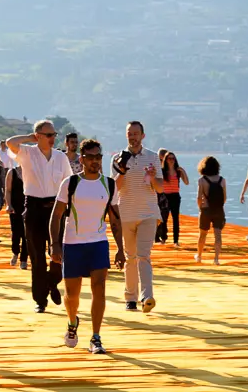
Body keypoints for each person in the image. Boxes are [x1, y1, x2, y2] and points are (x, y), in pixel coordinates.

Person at [50, 139, 125, 354]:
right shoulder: (70, 183)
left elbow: (115, 219)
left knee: (99, 288)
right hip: (73, 244)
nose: (95, 161)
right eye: (90, 157)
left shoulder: (108, 184)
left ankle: (96, 337)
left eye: (98, 157)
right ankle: (72, 322)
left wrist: (120, 248)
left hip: (98, 243)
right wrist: (55, 245)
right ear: (81, 159)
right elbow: (56, 216)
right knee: (72, 295)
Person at [6, 120, 73, 313]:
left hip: (55, 207)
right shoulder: (27, 153)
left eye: (54, 135)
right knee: (37, 256)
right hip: (33, 206)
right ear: (39, 136)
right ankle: (40, 299)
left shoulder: (60, 157)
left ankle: (52, 282)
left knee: (57, 253)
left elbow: (68, 183)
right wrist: (30, 138)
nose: (53, 138)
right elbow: (11, 142)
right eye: (49, 135)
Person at [110, 121, 162, 313]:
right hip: (126, 213)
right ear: (126, 135)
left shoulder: (153, 157)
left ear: (143, 135)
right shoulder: (117, 158)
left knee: (143, 255)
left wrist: (154, 176)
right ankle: (130, 298)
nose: (132, 137)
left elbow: (160, 188)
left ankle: (146, 297)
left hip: (148, 213)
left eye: (136, 133)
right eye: (129, 133)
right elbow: (115, 188)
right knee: (130, 257)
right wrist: (122, 170)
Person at [194, 156, 226, 265]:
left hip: (205, 210)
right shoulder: (222, 180)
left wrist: (200, 208)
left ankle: (199, 256)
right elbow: (225, 197)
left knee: (202, 234)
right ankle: (216, 259)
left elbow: (198, 197)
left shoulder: (202, 180)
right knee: (218, 235)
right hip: (218, 210)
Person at [158, 151, 189, 245]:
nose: (171, 160)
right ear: (165, 160)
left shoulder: (178, 171)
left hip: (175, 196)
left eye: (173, 158)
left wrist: (183, 171)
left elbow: (186, 182)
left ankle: (176, 241)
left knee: (176, 219)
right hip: (165, 196)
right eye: (169, 158)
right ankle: (163, 238)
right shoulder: (162, 171)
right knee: (164, 219)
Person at [5, 164, 28, 269]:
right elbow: (8, 190)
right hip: (15, 207)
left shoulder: (32, 172)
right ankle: (15, 252)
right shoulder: (12, 172)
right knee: (16, 232)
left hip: (29, 207)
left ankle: (24, 259)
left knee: (27, 234)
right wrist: (8, 205)